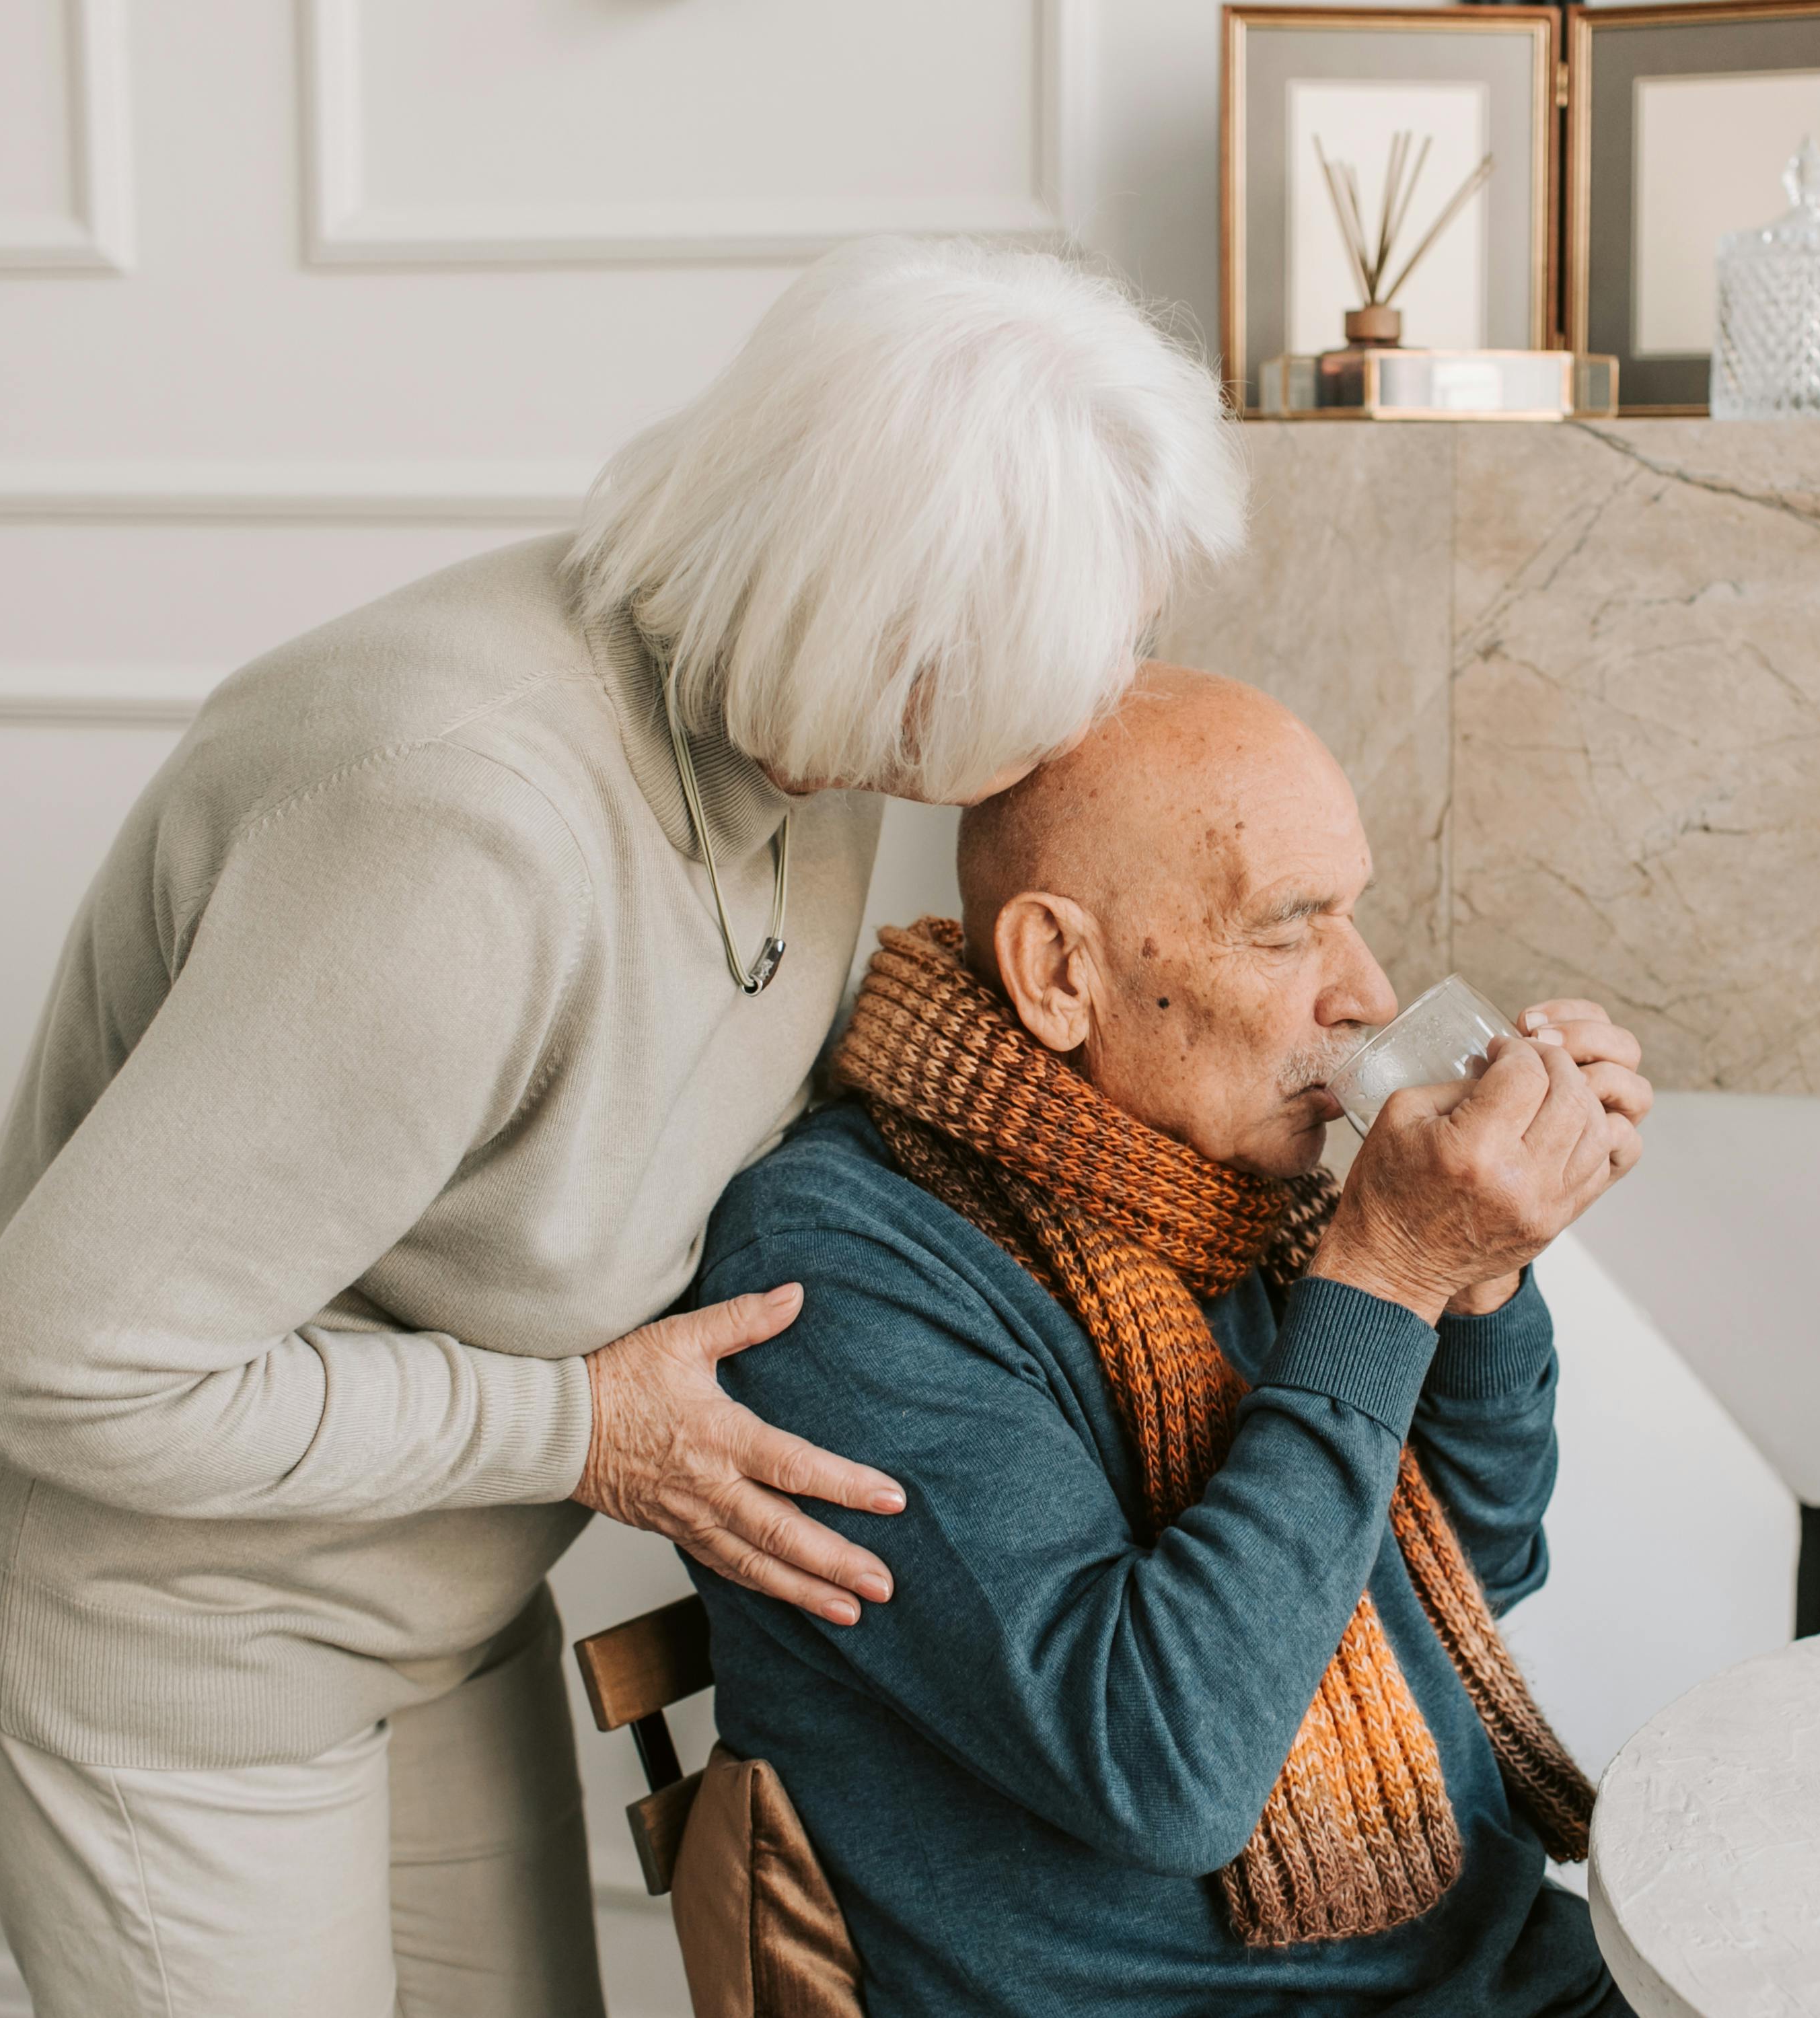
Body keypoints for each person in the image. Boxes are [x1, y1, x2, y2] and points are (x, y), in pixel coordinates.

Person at [0, 240, 1244, 2018]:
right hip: (168, 1634)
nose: (1108, 692)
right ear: (897, 629)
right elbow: (65, 1375)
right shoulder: (453, 823)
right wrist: (582, 1426)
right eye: (1089, 644)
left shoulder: (816, 751)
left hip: (435, 1585)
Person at [688, 668, 1654, 2017]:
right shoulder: (840, 1273)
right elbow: (1167, 1771)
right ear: (1059, 971)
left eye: (1351, 913)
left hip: (1482, 1970)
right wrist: (1383, 1277)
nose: (1363, 988)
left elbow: (1461, 1577)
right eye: (1288, 927)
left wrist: (1477, 1277)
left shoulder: (1224, 1197)